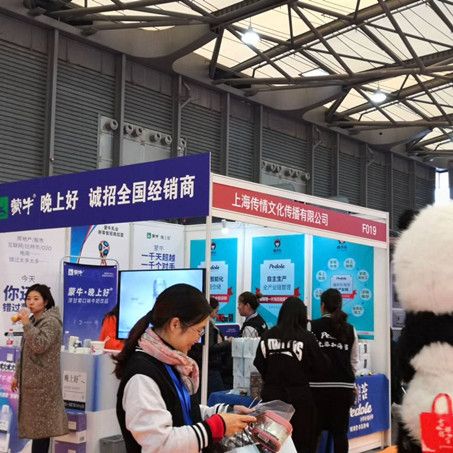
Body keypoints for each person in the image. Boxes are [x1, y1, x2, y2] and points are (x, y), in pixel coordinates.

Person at [114, 283, 256, 452]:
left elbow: (183, 410)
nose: (198, 339)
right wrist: (217, 426)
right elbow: (160, 443)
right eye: (198, 330)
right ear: (175, 324)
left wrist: (225, 412)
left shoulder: (171, 361)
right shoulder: (142, 376)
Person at [254, 296, 329, 453]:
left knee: (271, 444)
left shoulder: (267, 335)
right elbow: (321, 366)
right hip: (299, 399)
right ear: (302, 315)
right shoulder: (307, 337)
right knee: (302, 443)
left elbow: (259, 363)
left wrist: (272, 378)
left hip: (272, 398)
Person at [11, 284, 68, 453]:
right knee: (37, 430)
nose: (31, 302)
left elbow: (39, 345)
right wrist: (17, 375)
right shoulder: (33, 321)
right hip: (32, 383)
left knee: (42, 430)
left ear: (46, 302)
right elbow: (25, 351)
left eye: (36, 299)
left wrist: (26, 324)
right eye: (28, 299)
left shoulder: (51, 322)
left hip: (44, 385)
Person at [310, 288, 359, 453]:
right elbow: (354, 361)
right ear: (340, 305)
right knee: (340, 434)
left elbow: (307, 357)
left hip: (317, 388)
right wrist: (351, 382)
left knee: (314, 433)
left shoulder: (312, 326)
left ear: (322, 305)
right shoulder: (350, 329)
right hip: (343, 389)